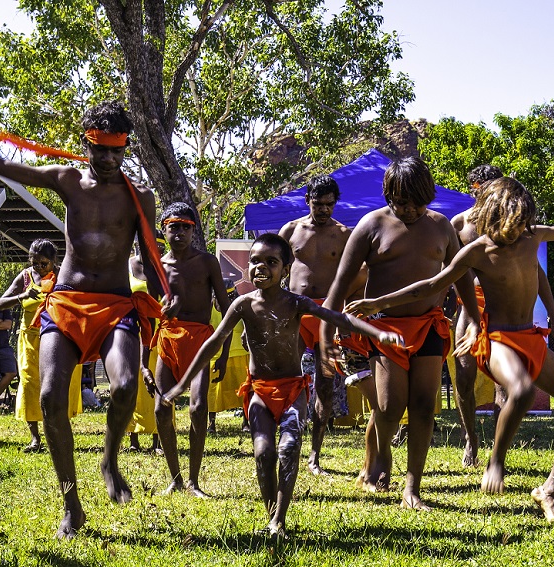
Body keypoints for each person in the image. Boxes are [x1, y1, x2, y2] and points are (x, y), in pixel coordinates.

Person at [0, 89, 175, 538]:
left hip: (117, 306)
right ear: (87, 144)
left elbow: (150, 254)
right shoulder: (68, 180)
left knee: (124, 387)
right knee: (50, 399)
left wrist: (164, 300)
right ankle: (71, 504)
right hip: (66, 304)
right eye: (101, 151)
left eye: (118, 152)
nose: (110, 160)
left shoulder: (142, 199)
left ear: (125, 149)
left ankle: (110, 457)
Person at [347, 177, 554, 521]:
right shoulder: (477, 251)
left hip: (531, 338)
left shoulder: (533, 236)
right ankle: (495, 461)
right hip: (497, 340)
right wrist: (378, 302)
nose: (520, 229)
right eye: (513, 222)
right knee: (520, 390)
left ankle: (549, 489)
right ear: (492, 216)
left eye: (524, 222)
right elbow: (430, 285)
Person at [163, 234, 402, 537]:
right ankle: (271, 516)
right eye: (255, 262)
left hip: (292, 391)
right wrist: (182, 384)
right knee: (263, 453)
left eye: (271, 262)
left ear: (286, 270)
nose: (261, 267)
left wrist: (378, 334)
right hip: (259, 392)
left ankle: (279, 520)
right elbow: (213, 343)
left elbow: (339, 318)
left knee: (289, 448)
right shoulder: (243, 305)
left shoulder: (295, 303)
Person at [320, 156, 479, 510]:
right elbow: (339, 285)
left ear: (429, 196)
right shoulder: (370, 225)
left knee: (423, 408)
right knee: (389, 408)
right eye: (401, 202)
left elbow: (462, 277)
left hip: (429, 326)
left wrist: (475, 317)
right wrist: (325, 333)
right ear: (387, 193)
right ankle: (375, 461)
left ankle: (413, 487)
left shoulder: (442, 227)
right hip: (384, 330)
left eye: (417, 203)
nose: (409, 210)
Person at [449, 164, 554, 466]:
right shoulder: (459, 225)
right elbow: (446, 275)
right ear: (474, 189)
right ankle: (470, 439)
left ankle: (499, 448)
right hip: (470, 306)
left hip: (506, 312)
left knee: (509, 382)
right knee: (463, 376)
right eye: (484, 187)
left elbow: (537, 275)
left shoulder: (517, 227)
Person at [150, 202, 230, 498]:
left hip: (200, 341)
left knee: (198, 409)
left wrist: (221, 353)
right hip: (169, 339)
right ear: (164, 229)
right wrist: (163, 310)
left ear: (194, 230)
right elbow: (150, 310)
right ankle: (175, 478)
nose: (180, 232)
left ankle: (194, 480)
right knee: (161, 408)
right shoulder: (160, 266)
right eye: (174, 226)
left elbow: (225, 307)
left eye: (186, 227)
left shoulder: (207, 262)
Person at [278, 175, 353, 476]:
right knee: (287, 376)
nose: (324, 210)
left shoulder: (344, 234)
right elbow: (270, 269)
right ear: (307, 200)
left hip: (327, 314)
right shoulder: (291, 230)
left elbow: (352, 276)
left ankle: (314, 455)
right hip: (295, 310)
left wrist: (345, 317)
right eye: (318, 204)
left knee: (325, 385)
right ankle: (285, 441)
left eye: (329, 205)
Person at [0, 239, 84, 452]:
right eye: (35, 263)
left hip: (59, 338)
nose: (38, 267)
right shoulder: (26, 277)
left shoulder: (64, 275)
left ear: (54, 261)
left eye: (43, 263)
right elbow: (1, 303)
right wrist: (23, 295)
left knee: (59, 384)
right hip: (31, 338)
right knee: (29, 383)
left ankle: (59, 432)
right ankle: (35, 438)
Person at [127, 233, 167, 452]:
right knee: (132, 385)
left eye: (160, 248)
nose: (155, 252)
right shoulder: (126, 266)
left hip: (159, 336)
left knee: (158, 383)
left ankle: (157, 439)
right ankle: (133, 439)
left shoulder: (163, 270)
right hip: (132, 334)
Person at [207, 280, 247, 434]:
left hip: (240, 354)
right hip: (215, 356)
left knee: (244, 390)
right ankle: (211, 424)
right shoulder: (209, 307)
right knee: (213, 393)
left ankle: (246, 422)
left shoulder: (241, 306)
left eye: (232, 296)